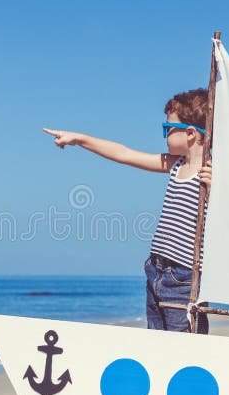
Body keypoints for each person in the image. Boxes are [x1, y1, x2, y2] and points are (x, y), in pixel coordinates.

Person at [42, 88, 212, 333]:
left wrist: (218, 186)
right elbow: (124, 153)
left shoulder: (212, 173)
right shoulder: (175, 165)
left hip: (184, 278)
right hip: (156, 269)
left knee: (184, 349)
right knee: (156, 344)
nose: (164, 134)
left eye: (167, 128)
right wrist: (79, 139)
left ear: (190, 134)